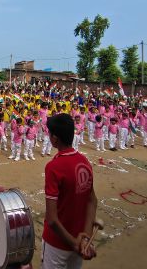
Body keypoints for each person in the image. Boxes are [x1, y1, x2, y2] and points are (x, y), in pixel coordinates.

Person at [42, 113, 97, 269]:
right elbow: (92, 200)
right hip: (79, 240)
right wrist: (85, 239)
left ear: (55, 139)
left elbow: (52, 219)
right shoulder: (84, 161)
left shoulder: (53, 167)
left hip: (57, 242)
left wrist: (74, 243)